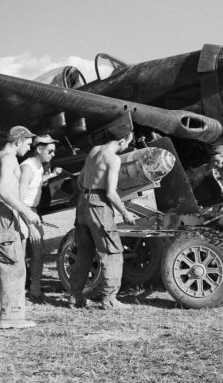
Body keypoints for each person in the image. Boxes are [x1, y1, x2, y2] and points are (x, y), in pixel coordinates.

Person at [0, 126, 42, 329]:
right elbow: (3, 191)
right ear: (17, 141)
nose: (28, 148)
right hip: (3, 213)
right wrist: (26, 212)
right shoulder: (8, 159)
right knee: (13, 266)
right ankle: (12, 317)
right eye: (27, 144)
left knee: (0, 266)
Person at [69, 128, 136, 309]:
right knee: (112, 252)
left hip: (83, 202)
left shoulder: (94, 151)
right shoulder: (113, 159)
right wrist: (125, 213)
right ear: (122, 140)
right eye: (129, 142)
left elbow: (80, 180)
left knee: (84, 251)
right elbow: (111, 193)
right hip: (99, 204)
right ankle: (110, 299)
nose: (128, 145)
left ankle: (75, 297)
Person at [19, 134, 63, 303]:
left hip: (33, 212)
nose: (53, 155)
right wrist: (29, 225)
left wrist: (51, 175)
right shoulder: (27, 168)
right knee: (22, 255)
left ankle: (34, 290)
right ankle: (20, 292)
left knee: (39, 252)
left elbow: (36, 182)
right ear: (39, 149)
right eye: (50, 151)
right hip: (25, 213)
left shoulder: (38, 167)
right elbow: (19, 199)